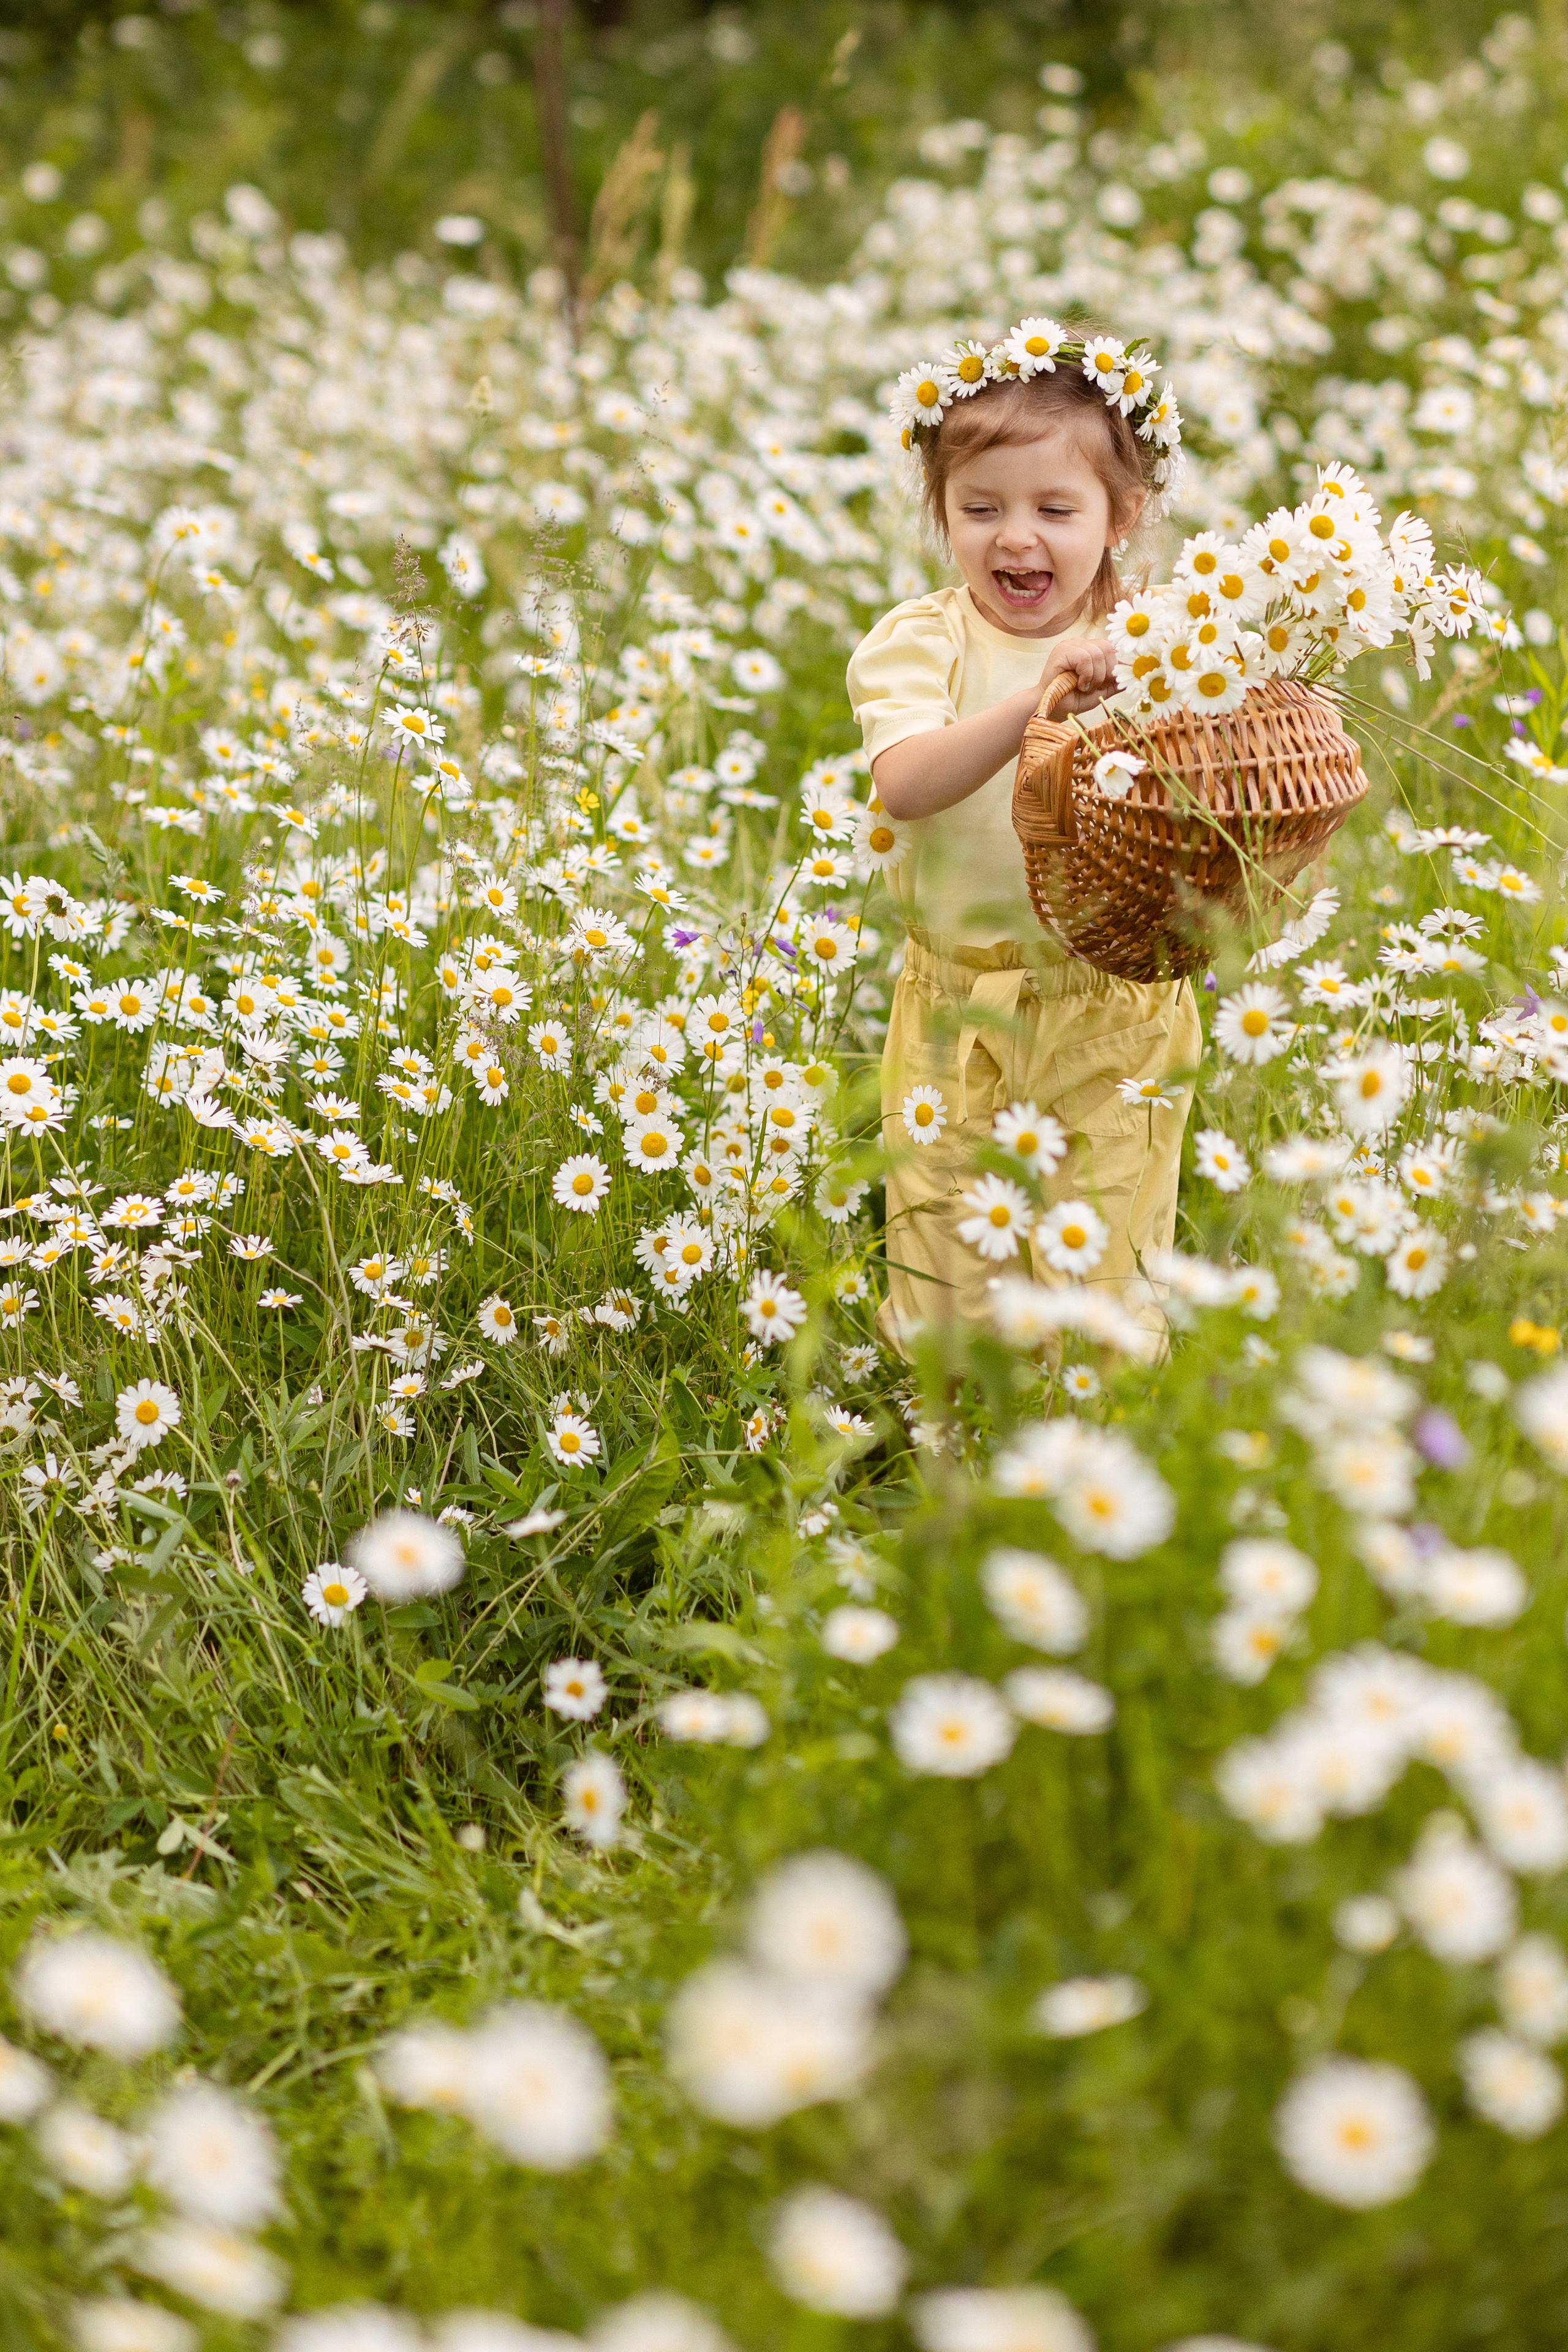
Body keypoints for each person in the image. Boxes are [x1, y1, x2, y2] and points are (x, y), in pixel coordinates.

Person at [846, 320, 1202, 1357]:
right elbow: (907, 783)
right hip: (958, 1008)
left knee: (1103, 1278)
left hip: (1113, 1008)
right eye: (981, 508)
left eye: (1055, 509)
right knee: (948, 1280)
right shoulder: (924, 643)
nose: (1016, 538)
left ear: (1121, 515)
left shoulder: (1160, 645)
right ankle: (950, 1441)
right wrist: (1035, 704)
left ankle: (1090, 1435)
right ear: (941, 511)